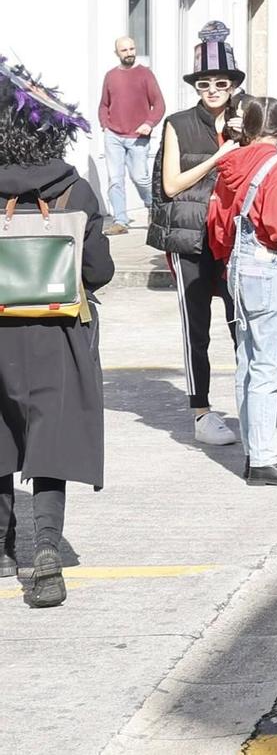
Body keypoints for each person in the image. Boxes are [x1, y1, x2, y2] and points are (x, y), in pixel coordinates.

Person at [0, 57, 112, 608]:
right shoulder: (74, 192)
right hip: (57, 330)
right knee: (52, 434)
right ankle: (45, 552)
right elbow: (99, 273)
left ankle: (1, 548)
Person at [205, 96, 277, 487]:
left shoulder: (233, 164)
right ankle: (265, 461)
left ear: (248, 129)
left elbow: (218, 221)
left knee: (247, 363)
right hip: (271, 270)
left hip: (240, 268)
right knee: (268, 366)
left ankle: (255, 452)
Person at [148, 20, 246, 448]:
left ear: (233, 83)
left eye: (220, 81)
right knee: (197, 329)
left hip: (235, 237)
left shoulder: (250, 117)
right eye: (203, 82)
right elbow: (170, 185)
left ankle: (250, 401)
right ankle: (201, 411)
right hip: (189, 238)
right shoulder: (178, 123)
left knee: (241, 323)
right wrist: (220, 156)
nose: (212, 89)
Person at [97, 36, 164, 235]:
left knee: (140, 178)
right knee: (115, 180)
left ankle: (153, 208)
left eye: (132, 49)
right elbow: (104, 104)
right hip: (113, 135)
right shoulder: (110, 76)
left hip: (138, 137)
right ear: (117, 53)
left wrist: (149, 123)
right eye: (124, 50)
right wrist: (105, 124)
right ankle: (120, 221)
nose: (129, 53)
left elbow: (159, 103)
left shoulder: (145, 75)